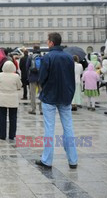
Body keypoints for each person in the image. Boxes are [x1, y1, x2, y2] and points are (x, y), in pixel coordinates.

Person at [36, 32, 78, 169]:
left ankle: (47, 160)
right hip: (65, 96)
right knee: (68, 127)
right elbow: (71, 77)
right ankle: (73, 160)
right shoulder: (69, 57)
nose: (47, 43)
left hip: (49, 97)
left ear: (51, 43)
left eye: (48, 41)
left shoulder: (48, 57)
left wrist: (45, 88)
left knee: (49, 128)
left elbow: (42, 78)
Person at [0, 61, 22, 140]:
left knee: (2, 117)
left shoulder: (0, 75)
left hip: (2, 98)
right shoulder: (16, 76)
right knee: (13, 118)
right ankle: (12, 135)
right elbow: (19, 86)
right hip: (13, 98)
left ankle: (2, 135)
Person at [26, 46, 42, 115]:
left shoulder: (30, 57)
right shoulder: (42, 57)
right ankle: (42, 110)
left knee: (33, 94)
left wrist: (28, 75)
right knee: (41, 94)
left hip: (32, 78)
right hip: (41, 78)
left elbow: (27, 67)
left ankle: (33, 109)